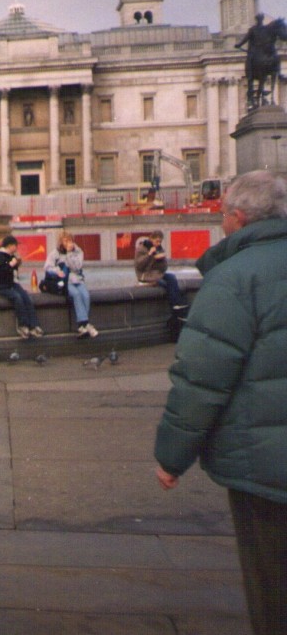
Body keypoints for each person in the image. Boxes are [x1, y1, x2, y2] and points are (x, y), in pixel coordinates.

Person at [154, 171, 287, 635]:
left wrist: (172, 457)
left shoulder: (233, 277)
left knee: (273, 584)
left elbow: (202, 378)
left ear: (236, 218)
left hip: (266, 466)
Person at [0, 234, 43, 339]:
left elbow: (11, 272)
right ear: (9, 246)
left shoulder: (10, 257)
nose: (17, 248)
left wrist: (15, 265)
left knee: (26, 297)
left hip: (11, 284)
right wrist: (10, 266)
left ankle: (34, 325)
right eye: (15, 245)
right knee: (17, 297)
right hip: (0, 286)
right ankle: (22, 325)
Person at [44, 231, 97, 338]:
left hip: (78, 279)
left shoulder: (78, 252)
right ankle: (84, 324)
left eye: (70, 240)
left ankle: (83, 325)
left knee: (86, 295)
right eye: (65, 240)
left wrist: (69, 254)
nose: (68, 243)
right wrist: (57, 271)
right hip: (65, 281)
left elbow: (77, 267)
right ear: (61, 242)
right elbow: (47, 267)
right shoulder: (55, 253)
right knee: (76, 294)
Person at [134, 230, 189, 315]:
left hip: (156, 274)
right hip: (145, 275)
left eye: (160, 241)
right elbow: (139, 266)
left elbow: (164, 269)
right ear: (151, 239)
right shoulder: (141, 248)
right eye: (157, 241)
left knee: (172, 277)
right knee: (164, 283)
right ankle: (175, 304)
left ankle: (177, 303)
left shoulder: (159, 249)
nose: (159, 243)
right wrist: (149, 255)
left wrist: (162, 259)